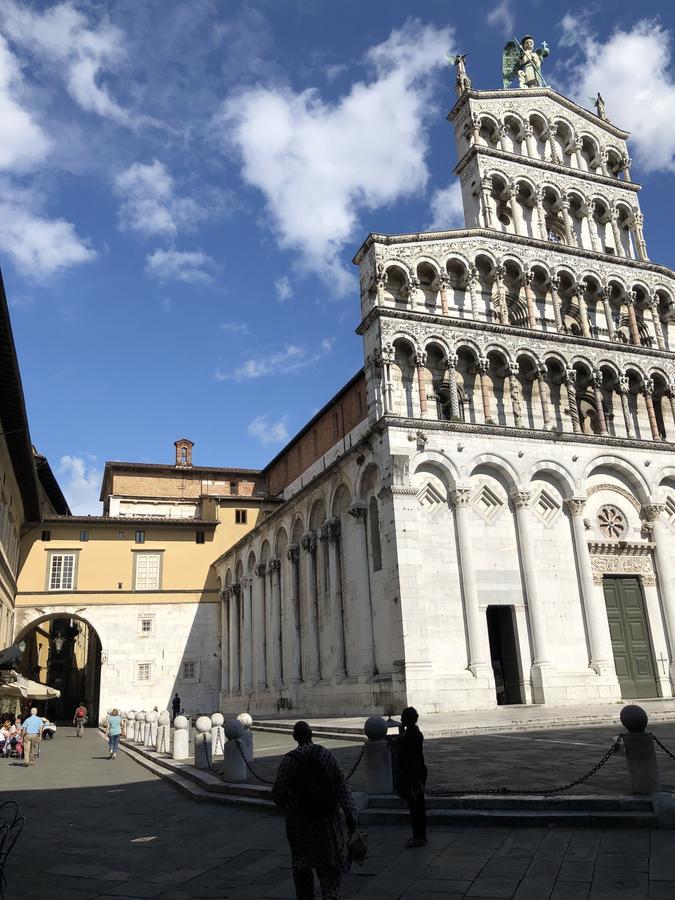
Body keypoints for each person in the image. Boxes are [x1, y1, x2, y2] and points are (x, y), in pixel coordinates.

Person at [273, 720, 356, 900]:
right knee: (329, 866)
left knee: (302, 865)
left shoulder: (289, 760)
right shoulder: (325, 754)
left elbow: (278, 793)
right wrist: (350, 813)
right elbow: (341, 785)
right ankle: (331, 896)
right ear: (311, 735)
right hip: (327, 819)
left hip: (301, 822)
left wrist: (288, 803)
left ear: (295, 737)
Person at [395, 707, 428, 848]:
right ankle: (420, 835)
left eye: (403, 717)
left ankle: (418, 837)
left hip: (414, 775)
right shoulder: (413, 733)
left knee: (416, 808)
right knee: (417, 806)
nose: (401, 719)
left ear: (408, 719)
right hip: (418, 773)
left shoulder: (411, 735)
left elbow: (405, 755)